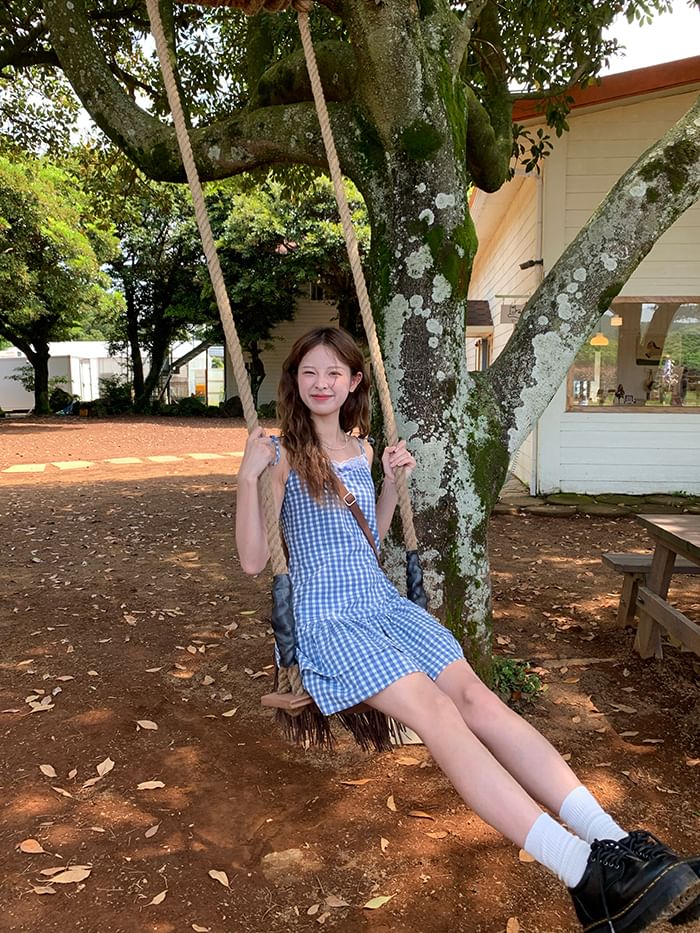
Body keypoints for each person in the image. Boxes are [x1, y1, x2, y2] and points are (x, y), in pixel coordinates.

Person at [235, 327, 700, 932]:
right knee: (436, 712)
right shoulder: (278, 456)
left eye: (334, 373)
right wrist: (247, 479)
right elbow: (253, 560)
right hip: (328, 619)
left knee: (479, 699)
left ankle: (616, 844)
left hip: (382, 605)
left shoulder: (362, 449)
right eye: (309, 373)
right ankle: (581, 872)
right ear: (294, 380)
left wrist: (389, 487)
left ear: (353, 383)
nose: (321, 383)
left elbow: (366, 543)